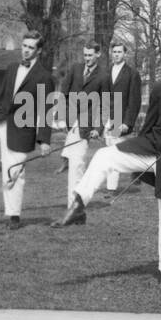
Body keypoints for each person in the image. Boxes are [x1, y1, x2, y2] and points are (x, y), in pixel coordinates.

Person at [51, 41, 161, 289]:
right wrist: (131, 147)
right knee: (104, 156)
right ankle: (78, 205)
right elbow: (149, 126)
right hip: (149, 147)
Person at [0, 31, 54, 230]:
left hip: (21, 129)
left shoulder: (44, 77)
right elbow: (1, 96)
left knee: (14, 172)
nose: (26, 50)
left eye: (31, 47)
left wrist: (45, 140)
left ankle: (14, 216)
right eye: (24, 45)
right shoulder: (11, 67)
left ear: (39, 50)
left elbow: (46, 111)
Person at [59, 41, 110, 208]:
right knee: (75, 162)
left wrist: (98, 128)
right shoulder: (75, 69)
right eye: (85, 55)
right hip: (71, 121)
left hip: (86, 125)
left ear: (98, 54)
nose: (87, 58)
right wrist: (63, 116)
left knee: (77, 163)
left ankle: (74, 204)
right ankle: (74, 203)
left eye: (90, 55)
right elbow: (64, 93)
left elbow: (105, 104)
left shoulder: (104, 76)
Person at [102, 39, 144, 194]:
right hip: (110, 118)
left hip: (123, 117)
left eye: (119, 52)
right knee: (113, 152)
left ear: (125, 54)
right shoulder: (107, 71)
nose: (116, 54)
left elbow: (134, 100)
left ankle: (112, 187)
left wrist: (127, 122)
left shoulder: (132, 74)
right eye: (114, 52)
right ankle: (137, 170)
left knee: (116, 153)